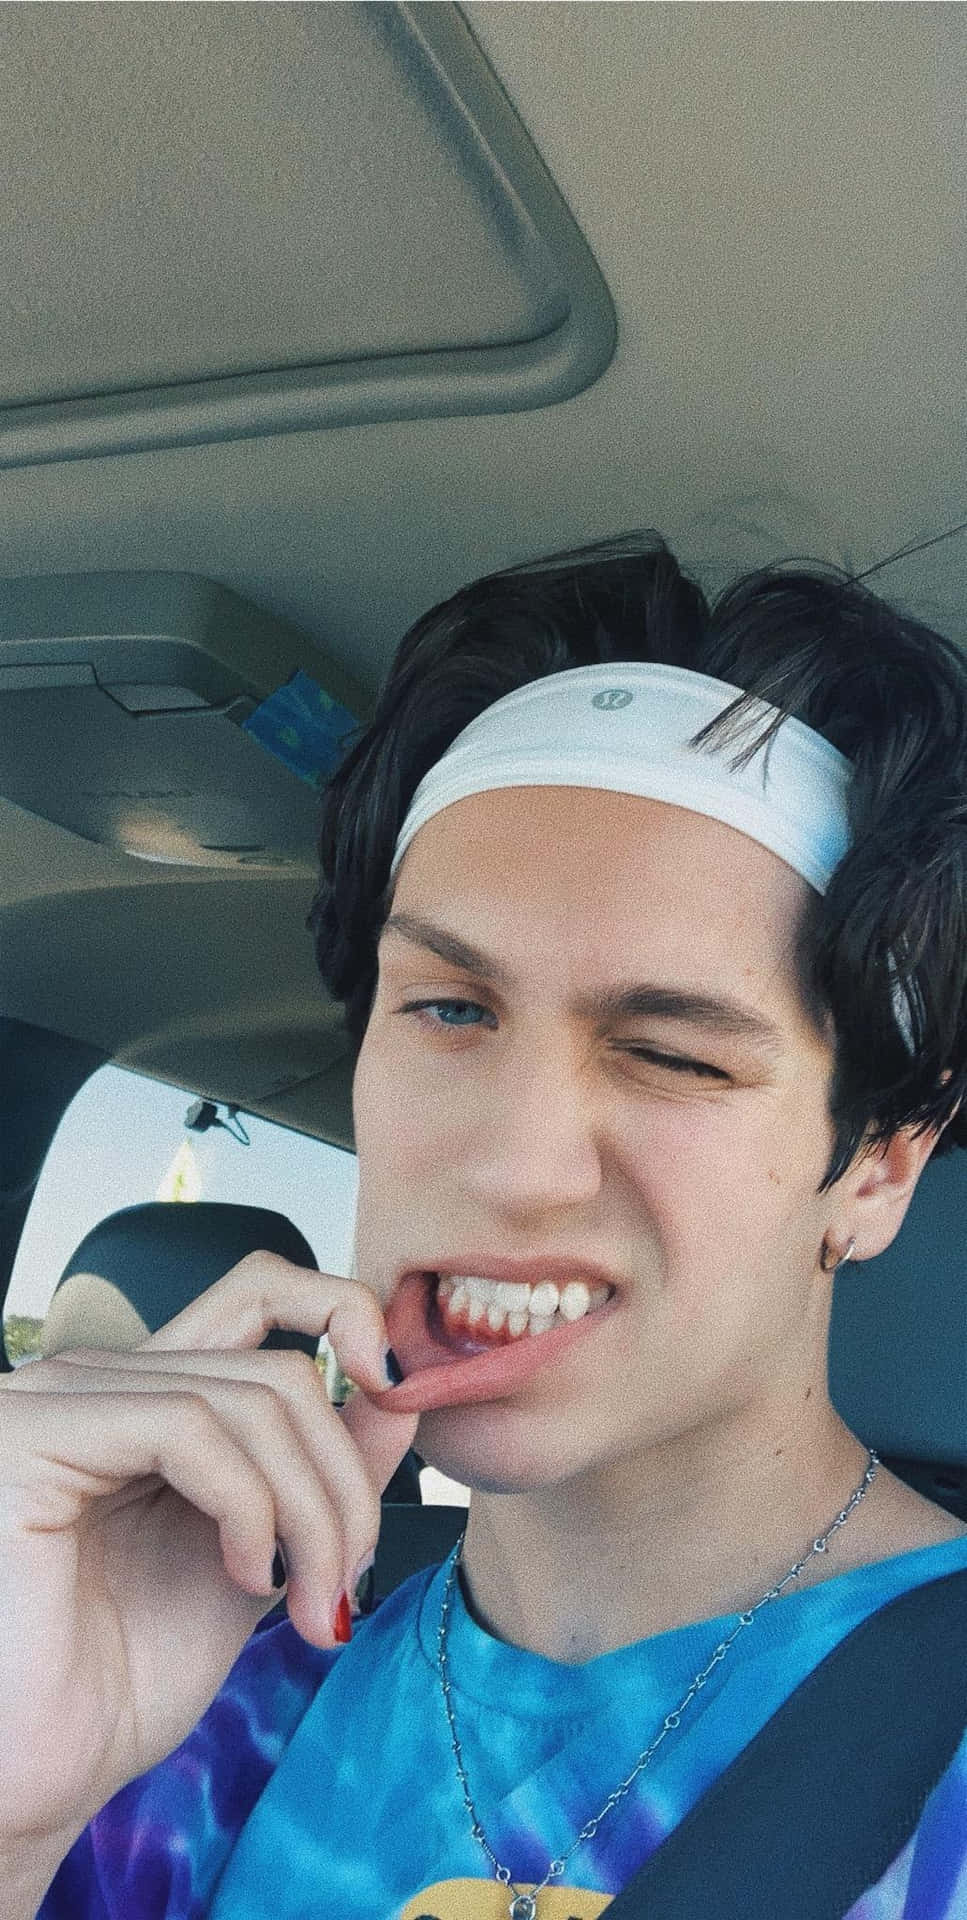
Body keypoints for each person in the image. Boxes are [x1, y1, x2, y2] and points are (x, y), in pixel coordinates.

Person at [3, 531, 967, 1920]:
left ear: (875, 1167)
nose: (511, 1168)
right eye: (450, 1010)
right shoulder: (182, 1706)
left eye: (677, 1055)